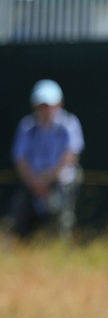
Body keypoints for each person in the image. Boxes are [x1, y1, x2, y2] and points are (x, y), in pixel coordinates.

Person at [8, 79, 84, 240]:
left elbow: (70, 156)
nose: (45, 110)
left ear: (59, 103)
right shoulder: (27, 126)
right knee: (19, 214)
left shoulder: (69, 124)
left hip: (60, 183)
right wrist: (35, 183)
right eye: (41, 105)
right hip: (32, 183)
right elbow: (20, 159)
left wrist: (46, 180)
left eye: (48, 105)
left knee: (61, 219)